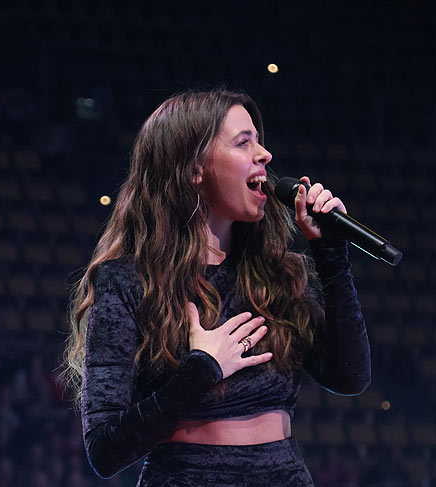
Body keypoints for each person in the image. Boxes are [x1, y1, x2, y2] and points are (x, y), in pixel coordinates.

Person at [63, 88, 371, 486]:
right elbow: (105, 452)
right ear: (195, 168)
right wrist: (202, 369)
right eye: (244, 142)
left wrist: (331, 255)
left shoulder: (274, 274)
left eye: (259, 140)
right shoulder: (128, 282)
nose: (265, 154)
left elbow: (349, 378)